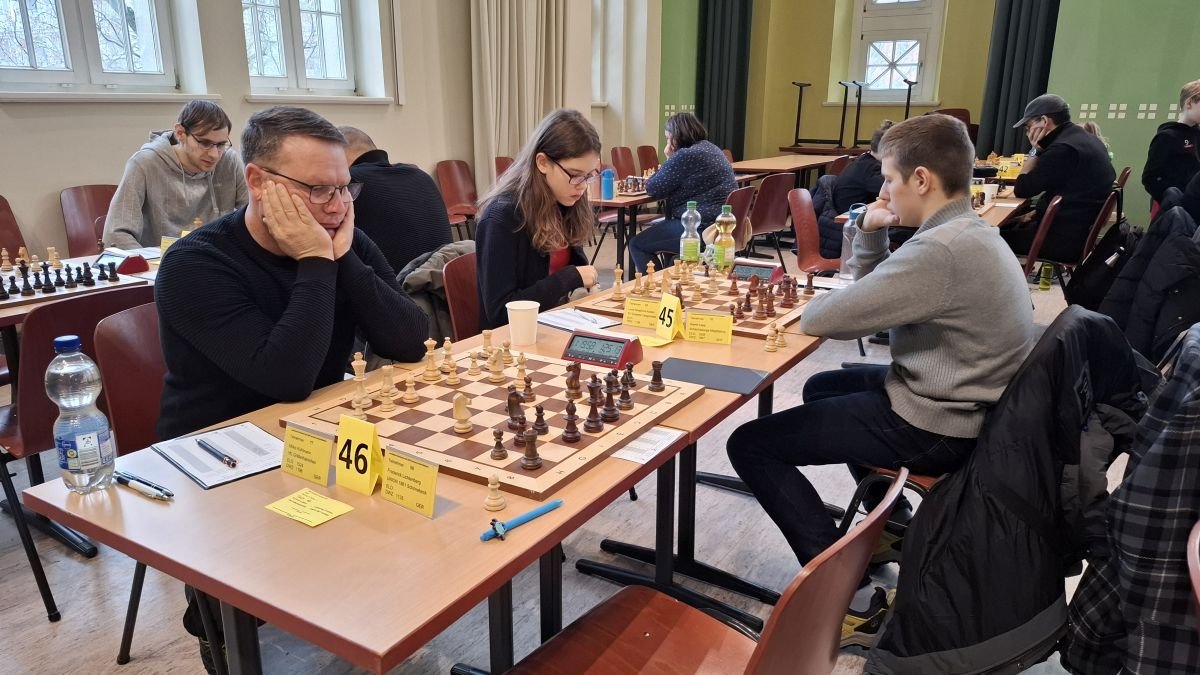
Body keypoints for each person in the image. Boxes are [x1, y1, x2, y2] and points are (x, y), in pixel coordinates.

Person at [726, 114, 1035, 649]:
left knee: (750, 444)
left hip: (941, 421)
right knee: (823, 388)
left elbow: (828, 317)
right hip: (967, 400)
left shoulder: (940, 250)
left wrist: (863, 239)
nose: (884, 192)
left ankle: (845, 599)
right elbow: (880, 297)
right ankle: (890, 529)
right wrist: (870, 232)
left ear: (922, 179)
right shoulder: (967, 230)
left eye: (889, 179)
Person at [156, 106, 430, 671]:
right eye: (317, 190)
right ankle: (224, 629)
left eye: (345, 188)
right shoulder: (195, 263)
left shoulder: (343, 239)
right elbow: (286, 379)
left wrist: (340, 256)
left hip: (314, 439)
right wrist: (315, 261)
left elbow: (409, 340)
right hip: (218, 463)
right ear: (258, 181)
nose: (337, 206)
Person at [475, 109, 600, 329]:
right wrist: (567, 278)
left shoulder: (564, 200)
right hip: (515, 337)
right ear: (542, 162)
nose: (582, 186)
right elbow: (500, 314)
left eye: (589, 176)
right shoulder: (501, 217)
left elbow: (580, 273)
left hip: (557, 323)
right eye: (574, 175)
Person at [103, 100, 248, 249]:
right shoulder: (144, 163)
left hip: (215, 258)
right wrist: (150, 262)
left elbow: (252, 215)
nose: (214, 154)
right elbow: (116, 235)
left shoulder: (229, 161)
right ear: (180, 133)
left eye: (221, 145)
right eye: (204, 143)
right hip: (160, 260)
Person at [1001, 94, 1115, 263]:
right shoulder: (1086, 139)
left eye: (1028, 126)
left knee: (987, 237)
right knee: (1007, 224)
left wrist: (1035, 150)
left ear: (1044, 121)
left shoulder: (1062, 149)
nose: (1028, 133)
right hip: (1077, 232)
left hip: (1060, 241)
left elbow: (1022, 189)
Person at [626, 112, 737, 273]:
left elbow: (653, 187)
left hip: (700, 227)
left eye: (668, 138)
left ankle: (655, 284)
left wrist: (669, 157)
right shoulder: (711, 147)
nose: (667, 144)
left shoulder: (686, 155)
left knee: (637, 244)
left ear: (676, 136)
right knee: (665, 242)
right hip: (722, 226)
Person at [338, 126, 454, 274]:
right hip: (446, 281)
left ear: (337, 155)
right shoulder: (421, 176)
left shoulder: (351, 184)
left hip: (398, 285)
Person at [1141, 80, 1200, 210]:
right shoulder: (1166, 137)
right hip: (1175, 206)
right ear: (1189, 103)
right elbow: (1149, 178)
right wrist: (1170, 199)